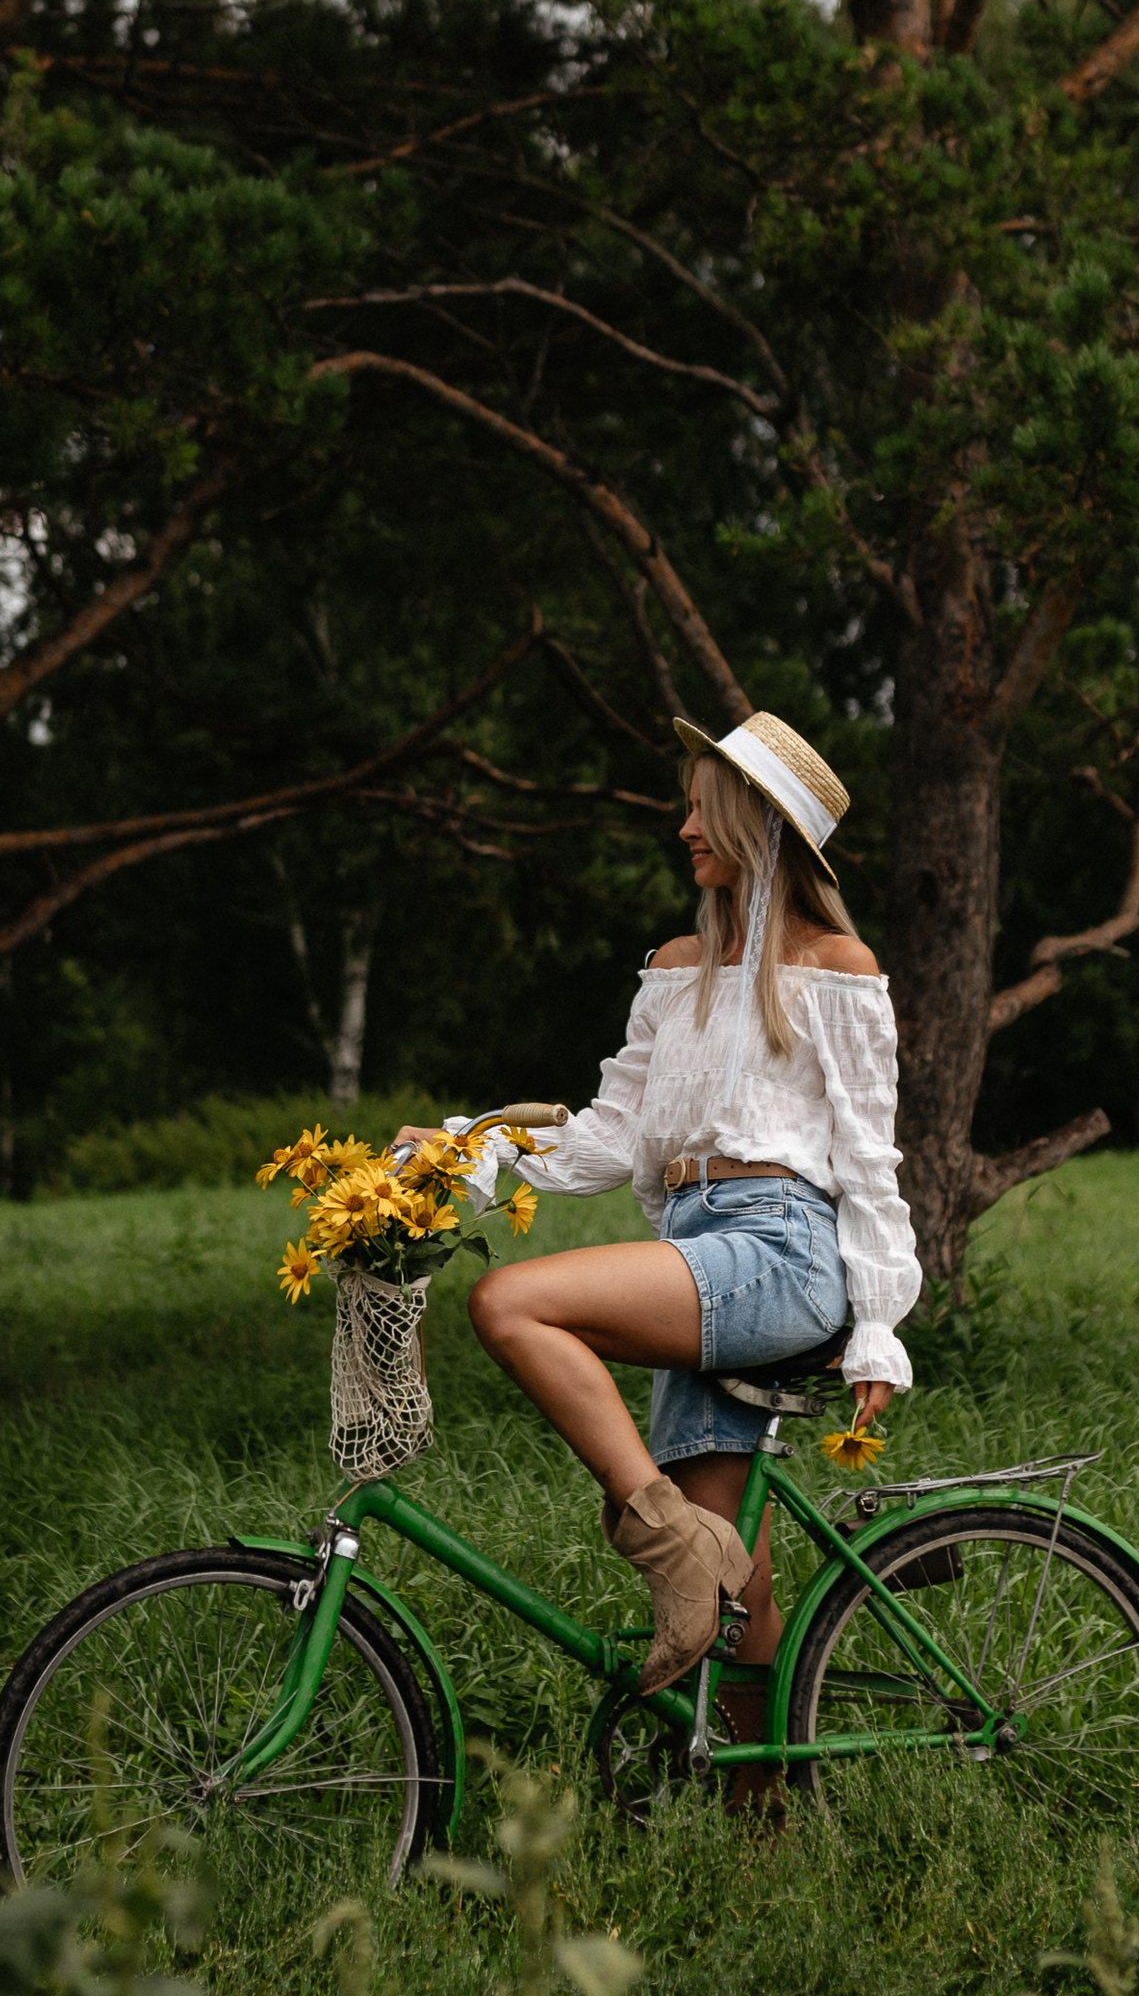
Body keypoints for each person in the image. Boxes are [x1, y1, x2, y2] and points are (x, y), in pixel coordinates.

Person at [402, 710, 919, 1732]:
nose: (683, 826)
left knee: (512, 1301)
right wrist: (474, 1142)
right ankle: (759, 1816)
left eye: (702, 807)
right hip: (701, 1251)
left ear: (756, 826)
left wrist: (877, 1331)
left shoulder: (838, 969)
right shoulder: (677, 965)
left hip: (782, 1250)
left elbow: (869, 1161)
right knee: (731, 1580)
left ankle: (660, 1533)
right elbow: (611, 1136)